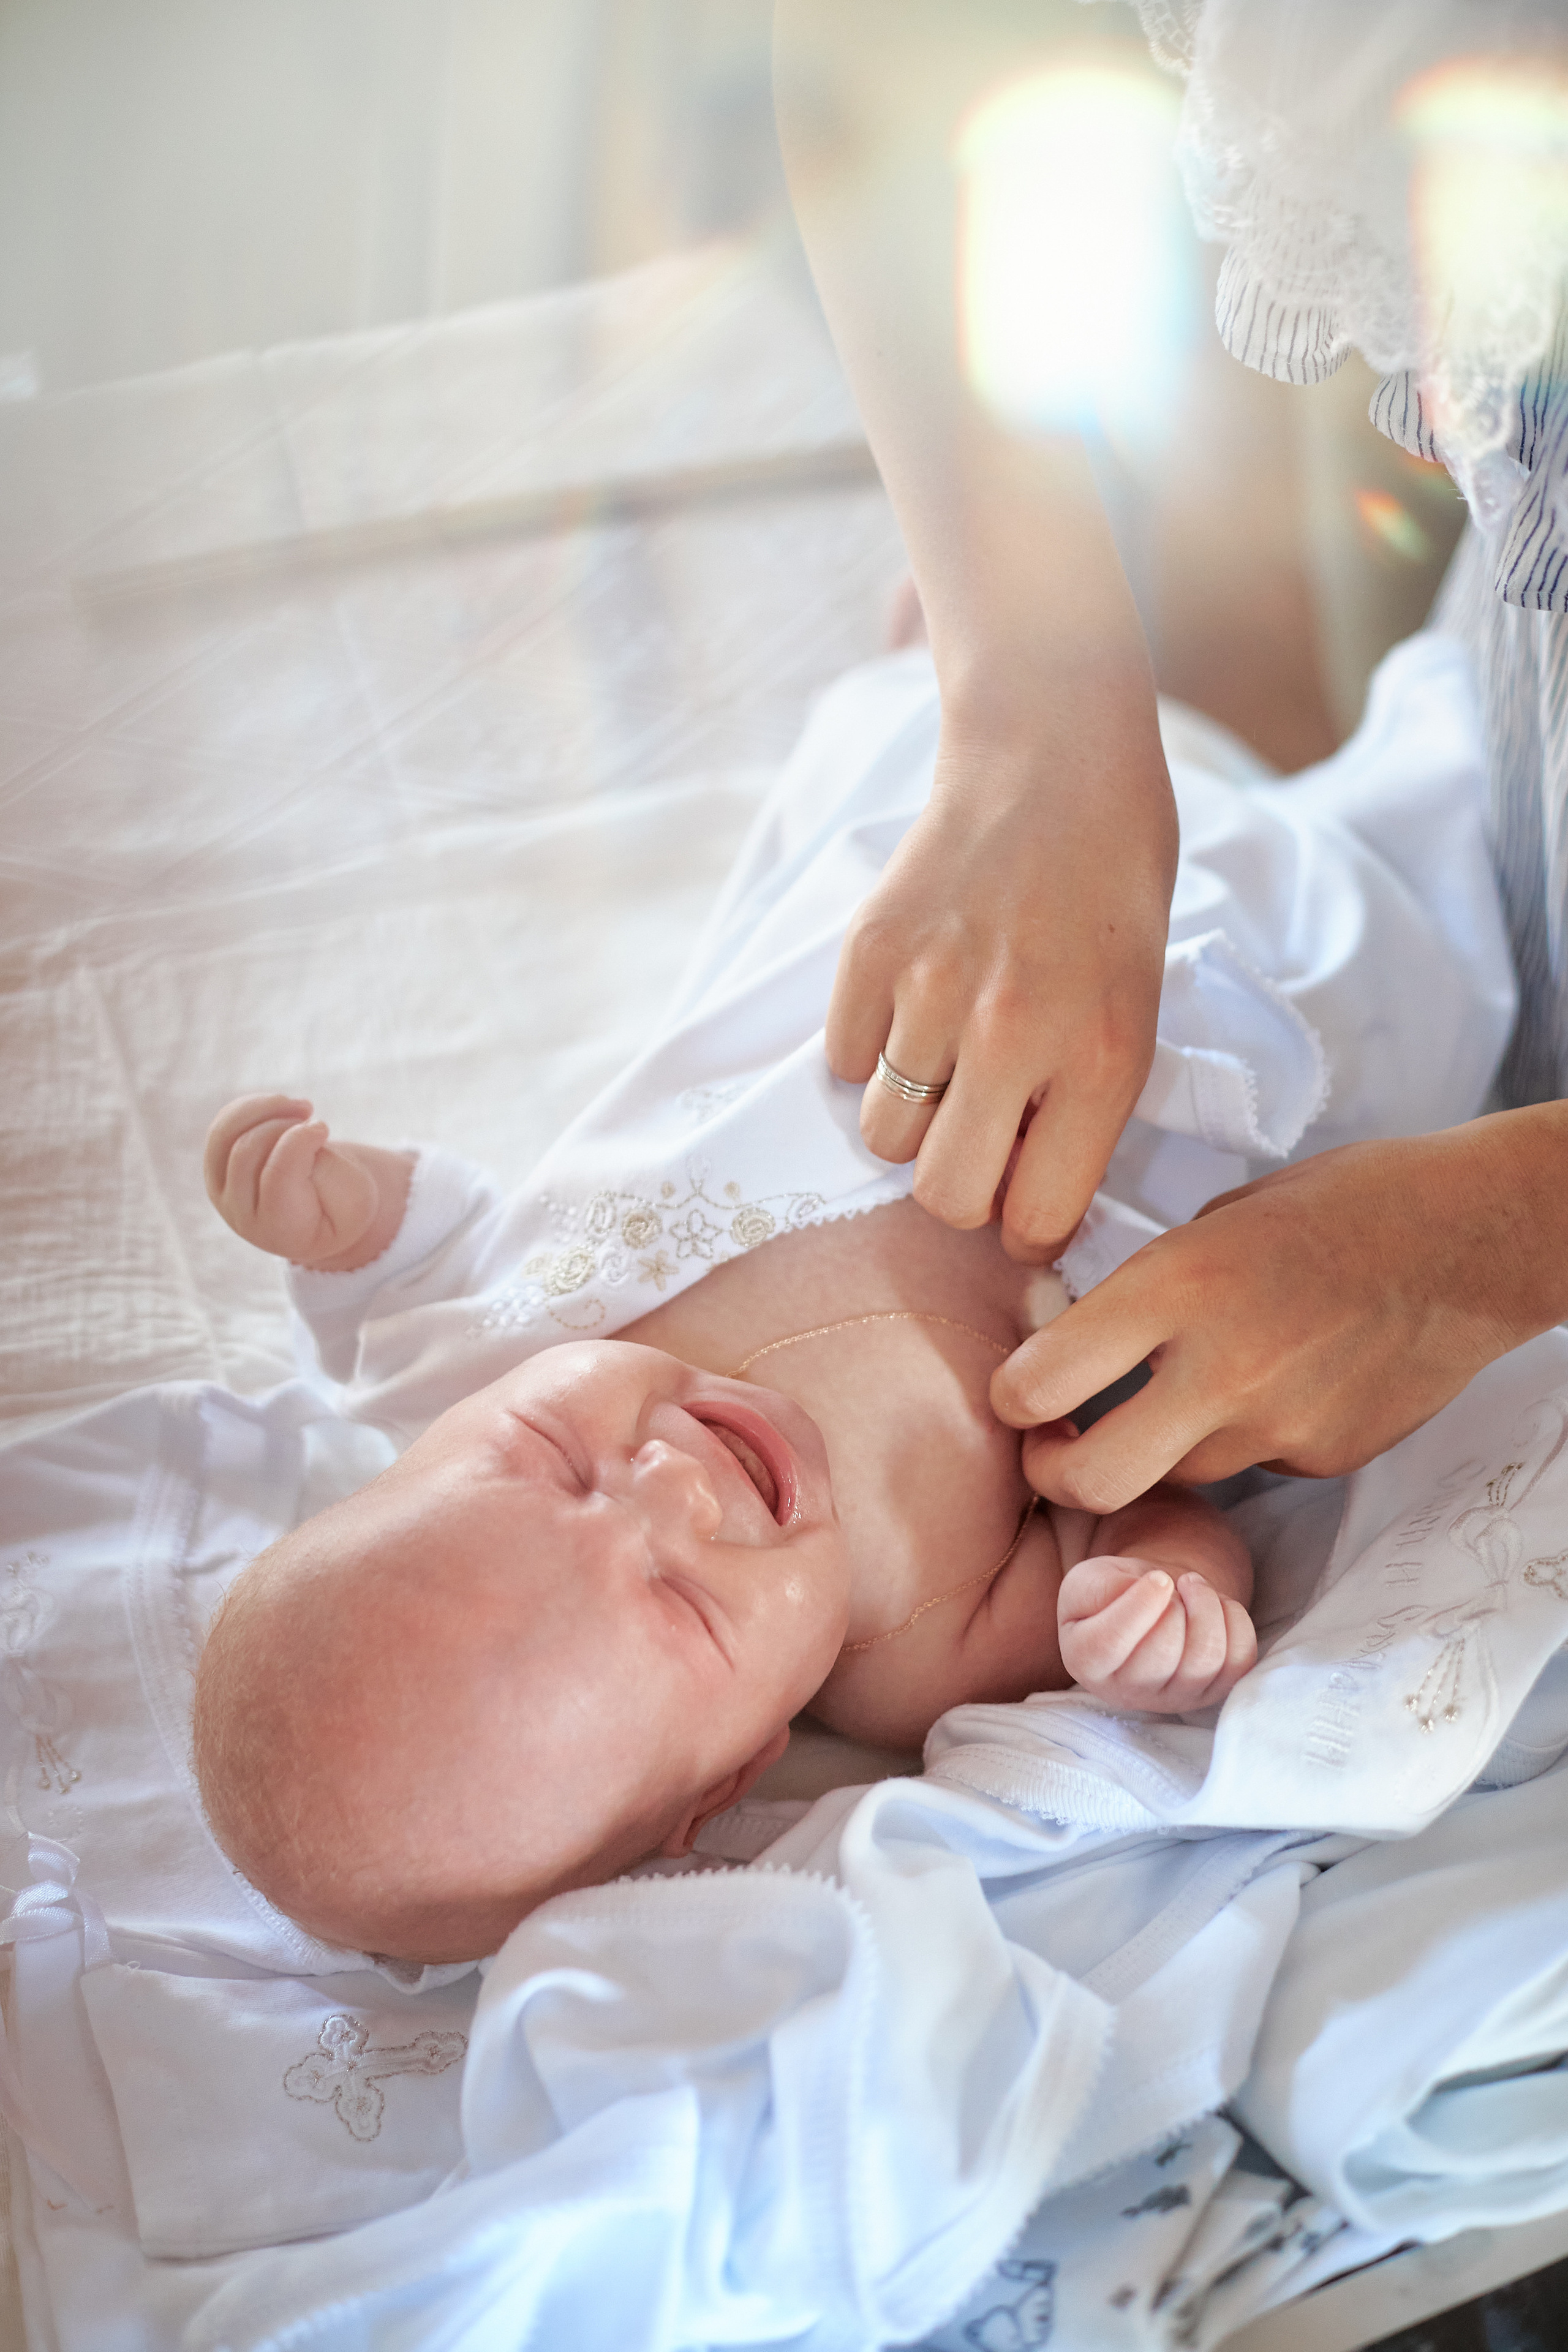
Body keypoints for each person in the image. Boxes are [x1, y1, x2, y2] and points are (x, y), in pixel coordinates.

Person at [771, 0, 1568, 1518]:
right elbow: (884, 39)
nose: (654, 1492)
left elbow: (1120, 1576)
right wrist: (1030, 695)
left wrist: (1494, 1237)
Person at [191, 1091, 1254, 1963]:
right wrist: (1160, 1603)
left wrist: (349, 1222)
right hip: (1184, 1175)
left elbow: (461, 1259)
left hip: (931, 1028)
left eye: (558, 1464)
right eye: (679, 1601)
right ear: (736, 1770)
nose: (675, 1485)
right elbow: (1149, 1512)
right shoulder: (926, 1651)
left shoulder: (484, 1356)